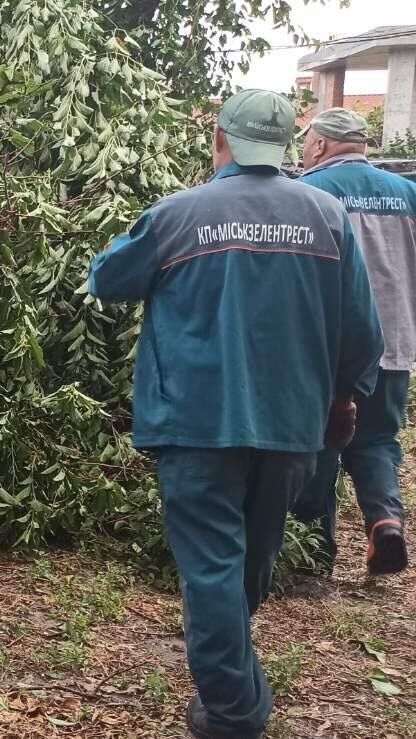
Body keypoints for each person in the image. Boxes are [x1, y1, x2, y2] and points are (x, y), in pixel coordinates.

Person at [89, 89, 382, 739]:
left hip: (196, 421)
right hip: (291, 423)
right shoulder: (328, 217)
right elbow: (363, 330)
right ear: (284, 147)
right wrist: (341, 399)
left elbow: (107, 279)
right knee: (248, 562)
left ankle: (232, 712)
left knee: (216, 567)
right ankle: (233, 680)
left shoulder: (178, 214)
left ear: (220, 140)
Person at [291, 107, 416, 576]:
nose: (303, 151)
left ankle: (312, 551)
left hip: (329, 346)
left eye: (306, 142)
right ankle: (385, 521)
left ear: (320, 145)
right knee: (378, 438)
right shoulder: (408, 193)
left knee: (320, 440)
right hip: (394, 341)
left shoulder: (308, 193)